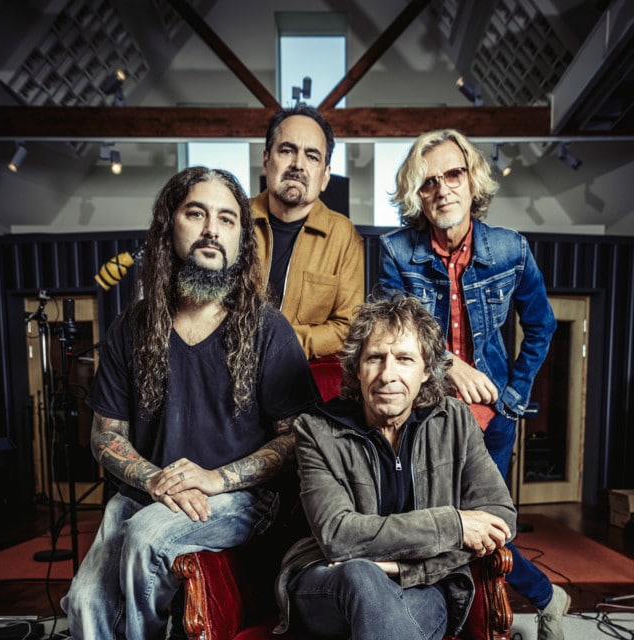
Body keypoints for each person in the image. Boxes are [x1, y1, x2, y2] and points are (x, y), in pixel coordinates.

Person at [61, 167, 321, 639]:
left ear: (241, 239)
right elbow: (106, 434)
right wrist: (155, 479)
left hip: (239, 499)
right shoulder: (132, 326)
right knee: (83, 603)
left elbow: (297, 439)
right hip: (145, 491)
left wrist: (215, 479)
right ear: (169, 227)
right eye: (196, 213)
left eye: (227, 219)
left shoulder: (268, 329)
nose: (211, 230)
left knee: (148, 537)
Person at [378, 129, 569, 640]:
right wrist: (448, 365)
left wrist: (514, 397)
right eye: (428, 181)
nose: (442, 189)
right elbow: (394, 331)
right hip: (426, 418)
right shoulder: (396, 252)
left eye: (453, 174)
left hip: (492, 420)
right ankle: (503, 605)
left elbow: (542, 325)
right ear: (416, 194)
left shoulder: (510, 249)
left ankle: (512, 607)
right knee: (433, 523)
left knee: (488, 527)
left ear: (472, 180)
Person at [273, 294, 517, 639]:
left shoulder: (455, 421)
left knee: (389, 607)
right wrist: (453, 525)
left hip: (425, 588)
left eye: (404, 359)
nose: (388, 375)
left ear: (426, 370)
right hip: (329, 583)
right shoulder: (317, 430)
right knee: (361, 575)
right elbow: (338, 536)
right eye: (375, 358)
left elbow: (499, 518)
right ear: (357, 368)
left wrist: (402, 569)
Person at [252, 104, 365, 361]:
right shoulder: (232, 220)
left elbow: (347, 326)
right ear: (266, 161)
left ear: (325, 177)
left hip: (298, 370)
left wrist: (281, 344)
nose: (298, 165)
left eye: (312, 157)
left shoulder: (343, 237)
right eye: (287, 151)